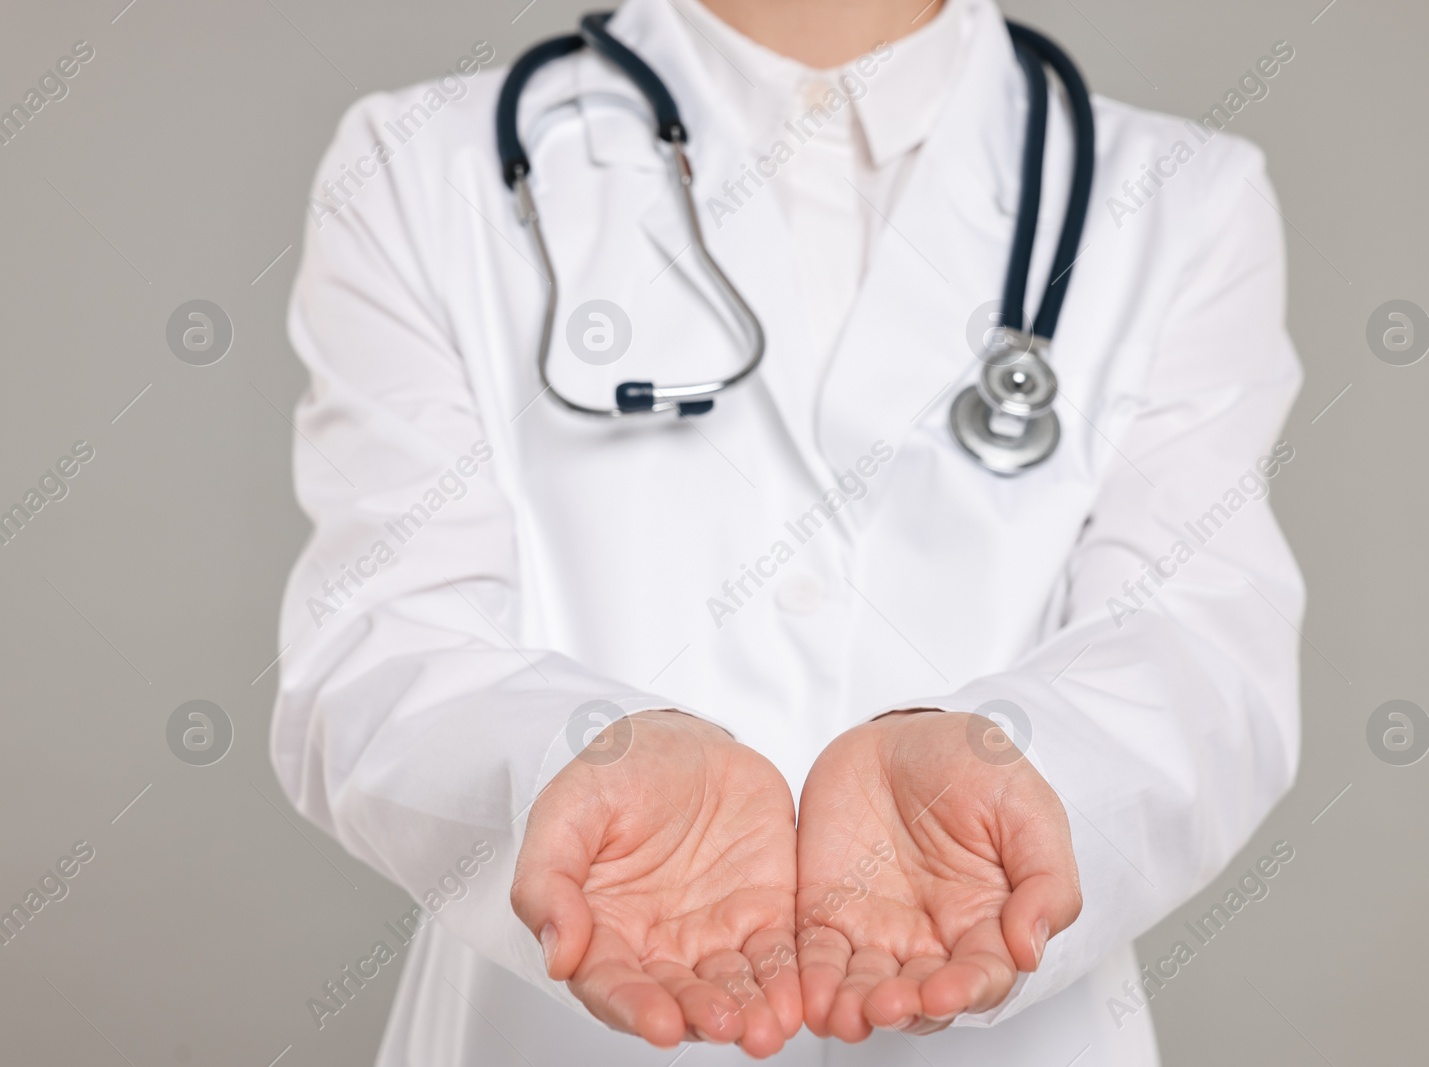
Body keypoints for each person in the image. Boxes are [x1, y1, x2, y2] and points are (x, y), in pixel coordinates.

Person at [270, 0, 1304, 1061]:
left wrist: (1028, 771)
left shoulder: (1179, 201)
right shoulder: (421, 169)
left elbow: (1202, 652)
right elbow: (374, 646)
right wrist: (567, 758)